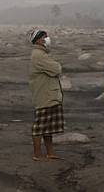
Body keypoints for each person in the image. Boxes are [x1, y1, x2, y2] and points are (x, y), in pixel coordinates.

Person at [28, 29, 65, 161]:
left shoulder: (41, 54)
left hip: (48, 93)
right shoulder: (39, 55)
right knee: (40, 126)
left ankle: (50, 152)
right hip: (45, 94)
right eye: (44, 37)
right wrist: (57, 66)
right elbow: (56, 69)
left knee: (47, 127)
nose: (47, 39)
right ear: (38, 40)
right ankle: (37, 154)